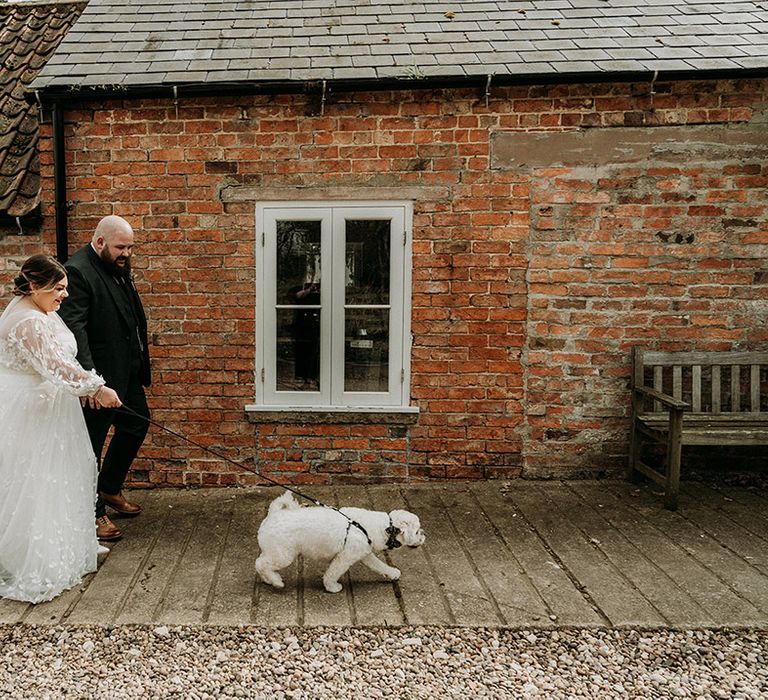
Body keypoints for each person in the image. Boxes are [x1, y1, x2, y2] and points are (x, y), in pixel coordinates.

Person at [0, 254, 122, 603]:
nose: (64, 295)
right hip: (31, 411)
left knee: (60, 475)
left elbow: (62, 360)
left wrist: (81, 386)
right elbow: (56, 367)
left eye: (65, 288)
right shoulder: (29, 323)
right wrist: (96, 387)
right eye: (58, 288)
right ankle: (34, 560)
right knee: (34, 480)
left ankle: (66, 543)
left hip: (50, 404)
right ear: (35, 286)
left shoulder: (39, 310)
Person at [58, 215, 151, 542]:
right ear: (99, 242)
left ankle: (110, 488)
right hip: (98, 380)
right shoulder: (79, 271)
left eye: (130, 247)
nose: (127, 253)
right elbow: (74, 329)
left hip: (126, 374)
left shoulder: (116, 266)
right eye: (120, 247)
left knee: (137, 423)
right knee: (89, 448)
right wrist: (90, 382)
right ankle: (93, 514)